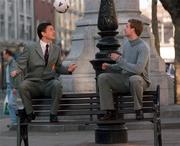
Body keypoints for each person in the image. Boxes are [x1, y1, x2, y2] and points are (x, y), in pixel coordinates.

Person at [11, 22, 77, 122]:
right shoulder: (30, 48)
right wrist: (15, 70)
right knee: (23, 86)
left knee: (57, 85)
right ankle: (30, 113)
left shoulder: (56, 49)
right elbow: (21, 63)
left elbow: (58, 67)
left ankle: (53, 114)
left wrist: (67, 70)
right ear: (43, 33)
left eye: (53, 29)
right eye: (51, 29)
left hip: (48, 83)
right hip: (33, 83)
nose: (54, 31)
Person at [98, 19, 151, 120]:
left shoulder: (143, 47)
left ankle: (138, 110)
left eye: (127, 26)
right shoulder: (126, 45)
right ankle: (109, 111)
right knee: (102, 77)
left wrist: (118, 59)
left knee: (134, 79)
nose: (124, 28)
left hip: (140, 80)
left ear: (133, 29)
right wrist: (109, 66)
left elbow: (138, 69)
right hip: (125, 79)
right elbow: (123, 65)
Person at [3, 49, 19, 127]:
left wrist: (15, 87)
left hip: (12, 86)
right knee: (10, 105)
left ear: (7, 54)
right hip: (9, 86)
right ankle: (14, 122)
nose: (3, 56)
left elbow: (16, 75)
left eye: (4, 54)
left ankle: (16, 121)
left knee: (11, 104)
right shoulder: (9, 63)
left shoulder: (13, 62)